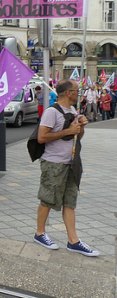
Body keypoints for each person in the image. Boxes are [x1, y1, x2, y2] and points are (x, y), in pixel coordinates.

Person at [33, 79, 99, 256]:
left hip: (71, 163)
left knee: (70, 202)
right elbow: (41, 137)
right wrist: (68, 131)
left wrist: (81, 127)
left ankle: (73, 241)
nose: (79, 94)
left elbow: (76, 136)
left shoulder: (72, 111)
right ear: (68, 93)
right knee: (47, 199)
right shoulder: (51, 112)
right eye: (77, 91)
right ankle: (39, 233)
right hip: (53, 164)